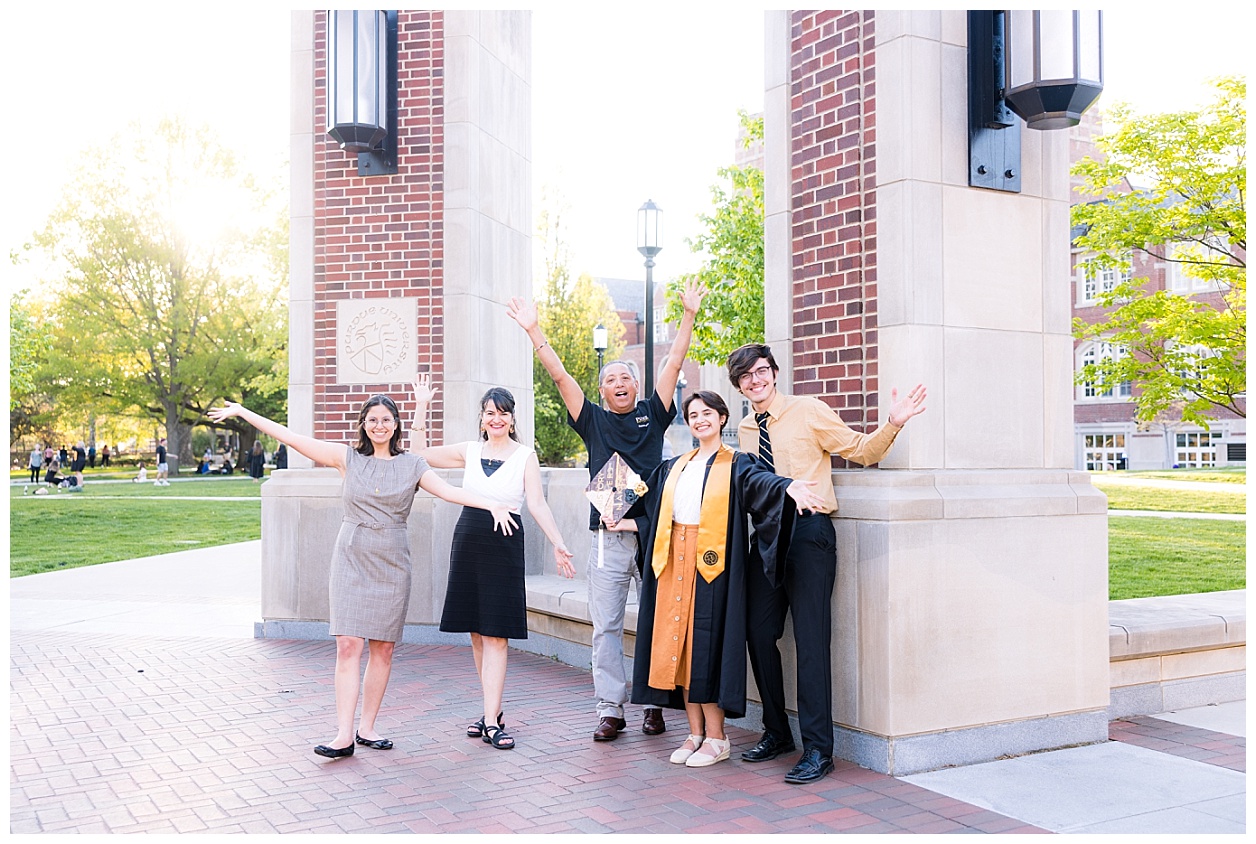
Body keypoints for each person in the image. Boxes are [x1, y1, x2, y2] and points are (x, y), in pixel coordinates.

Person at [208, 380, 517, 760]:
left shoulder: (412, 464)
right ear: (363, 425)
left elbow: (450, 492)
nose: (379, 426)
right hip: (351, 555)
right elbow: (292, 437)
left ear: (396, 425)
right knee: (347, 644)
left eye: (386, 419)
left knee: (383, 649)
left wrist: (493, 506)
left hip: (391, 560)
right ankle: (343, 735)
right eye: (372, 420)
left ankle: (367, 727)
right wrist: (243, 412)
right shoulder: (347, 458)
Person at [506, 281, 706, 742]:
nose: (619, 383)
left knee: (659, 621)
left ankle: (654, 704)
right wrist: (535, 331)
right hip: (607, 536)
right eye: (610, 379)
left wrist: (689, 316)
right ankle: (610, 709)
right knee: (606, 627)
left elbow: (674, 362)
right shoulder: (592, 419)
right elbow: (559, 377)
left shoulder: (653, 414)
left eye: (625, 378)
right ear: (601, 389)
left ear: (637, 385)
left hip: (655, 532)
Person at [726, 343, 928, 784]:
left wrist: (892, 423)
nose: (755, 381)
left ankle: (819, 749)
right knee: (758, 633)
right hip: (765, 539)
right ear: (739, 385)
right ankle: (777, 732)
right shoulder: (744, 427)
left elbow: (861, 450)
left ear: (774, 373)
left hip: (807, 533)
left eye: (761, 371)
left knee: (813, 644)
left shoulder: (808, 411)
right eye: (745, 376)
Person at [609, 391, 825, 768]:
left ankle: (717, 737)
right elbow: (648, 503)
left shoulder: (738, 463)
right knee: (681, 648)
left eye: (707, 412)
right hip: (674, 562)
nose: (699, 419)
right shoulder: (675, 466)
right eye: (693, 414)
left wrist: (788, 486)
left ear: (722, 418)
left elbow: (762, 483)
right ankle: (694, 734)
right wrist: (618, 515)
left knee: (705, 646)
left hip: (712, 566)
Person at [416, 384, 576, 750]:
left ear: (512, 418)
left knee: (496, 634)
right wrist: (422, 406)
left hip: (504, 543)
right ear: (482, 418)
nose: (496, 418)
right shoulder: (469, 451)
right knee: (475, 632)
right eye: (490, 412)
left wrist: (558, 542)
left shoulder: (525, 457)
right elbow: (419, 453)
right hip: (469, 538)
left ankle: (491, 721)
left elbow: (536, 504)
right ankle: (493, 711)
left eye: (503, 412)